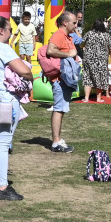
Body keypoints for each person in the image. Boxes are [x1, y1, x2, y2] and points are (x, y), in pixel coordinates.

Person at [0, 16, 33, 200]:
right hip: (4, 100)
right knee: (2, 143)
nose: (11, 34)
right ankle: (2, 187)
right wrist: (31, 77)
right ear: (1, 30)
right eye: (9, 30)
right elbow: (24, 70)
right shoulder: (2, 47)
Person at [46, 11, 79, 153]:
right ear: (65, 23)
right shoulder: (59, 35)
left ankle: (58, 139)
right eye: (74, 23)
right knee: (59, 109)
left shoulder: (67, 36)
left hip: (65, 79)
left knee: (61, 109)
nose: (76, 25)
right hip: (60, 80)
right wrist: (68, 54)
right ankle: (56, 142)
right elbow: (50, 50)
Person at [81, 19, 111, 102]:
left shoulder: (89, 33)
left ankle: (86, 98)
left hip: (89, 58)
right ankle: (98, 98)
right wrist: (109, 53)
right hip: (101, 60)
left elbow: (82, 44)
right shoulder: (106, 35)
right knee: (100, 77)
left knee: (87, 77)